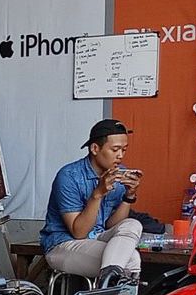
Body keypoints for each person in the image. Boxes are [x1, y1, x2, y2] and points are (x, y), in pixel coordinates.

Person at [40, 119, 144, 283]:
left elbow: (112, 225)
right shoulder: (69, 176)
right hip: (64, 244)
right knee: (131, 259)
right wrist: (98, 194)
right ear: (95, 148)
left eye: (124, 150)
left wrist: (129, 196)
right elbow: (79, 232)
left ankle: (106, 283)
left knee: (133, 224)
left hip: (97, 237)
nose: (120, 155)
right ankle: (108, 292)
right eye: (115, 149)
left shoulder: (119, 173)